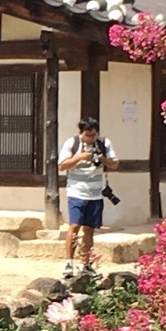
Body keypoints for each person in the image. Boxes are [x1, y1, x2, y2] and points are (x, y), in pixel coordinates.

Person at [57, 117, 117, 279]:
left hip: (96, 193)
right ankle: (69, 262)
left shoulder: (104, 143)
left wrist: (100, 158)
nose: (91, 138)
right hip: (76, 192)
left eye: (94, 135)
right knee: (74, 226)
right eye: (88, 135)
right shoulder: (72, 143)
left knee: (89, 229)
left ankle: (86, 263)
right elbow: (62, 166)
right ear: (81, 133)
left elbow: (114, 164)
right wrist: (80, 157)